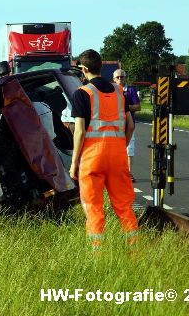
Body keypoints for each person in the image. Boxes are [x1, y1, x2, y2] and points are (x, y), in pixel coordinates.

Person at [69, 50, 138, 249]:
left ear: (83, 69)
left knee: (94, 208)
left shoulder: (82, 94)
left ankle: (98, 254)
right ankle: (134, 251)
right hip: (117, 157)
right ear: (101, 67)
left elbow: (80, 132)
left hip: (92, 159)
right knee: (124, 207)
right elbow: (130, 126)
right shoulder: (119, 91)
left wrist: (74, 163)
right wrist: (120, 146)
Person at [113, 69, 141, 176]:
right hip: (114, 125)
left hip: (129, 124)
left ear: (125, 78)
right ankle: (116, 171)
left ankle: (128, 173)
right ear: (113, 79)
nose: (120, 79)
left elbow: (138, 106)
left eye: (122, 77)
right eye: (118, 77)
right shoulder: (111, 90)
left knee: (129, 149)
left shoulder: (131, 90)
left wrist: (124, 108)